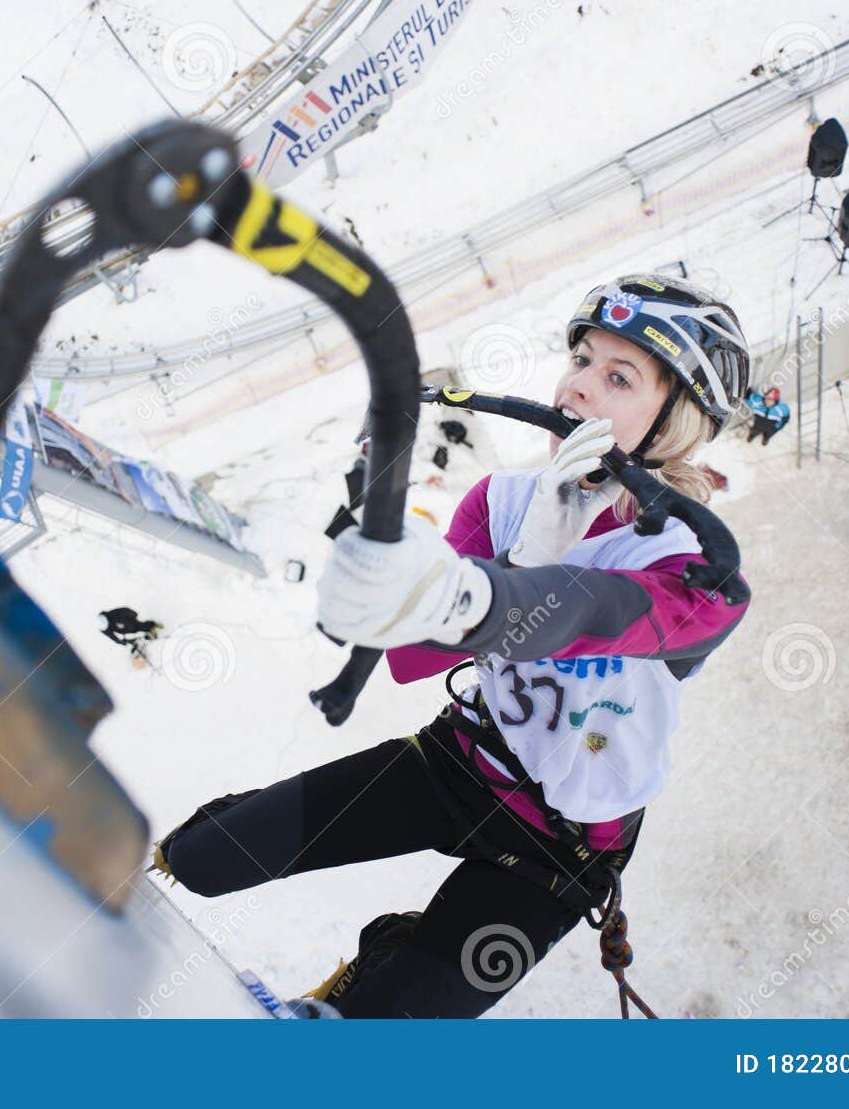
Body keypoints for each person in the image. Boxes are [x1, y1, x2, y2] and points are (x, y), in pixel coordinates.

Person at [153, 275, 752, 1019]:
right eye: (581, 358)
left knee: (383, 1029)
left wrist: (509, 582)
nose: (577, 388)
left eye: (618, 376)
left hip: (559, 852)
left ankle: (385, 965)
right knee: (202, 859)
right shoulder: (501, 502)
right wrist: (425, 582)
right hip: (459, 761)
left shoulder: (694, 562)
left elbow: (603, 608)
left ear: (676, 422)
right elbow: (412, 659)